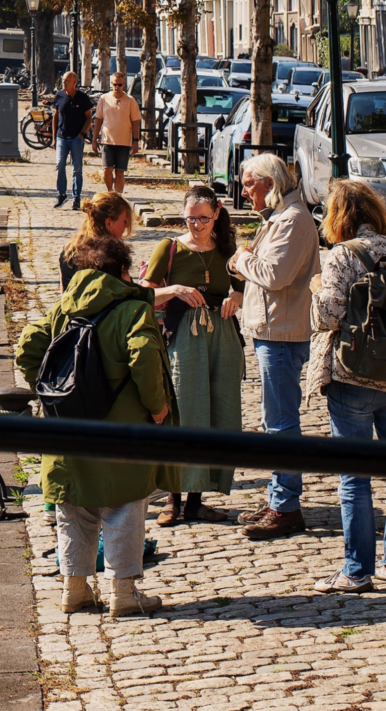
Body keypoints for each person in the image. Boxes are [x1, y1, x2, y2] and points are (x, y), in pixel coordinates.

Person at [16, 234, 178, 616]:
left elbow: (28, 346)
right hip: (120, 431)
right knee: (124, 506)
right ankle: (123, 593)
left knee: (74, 506)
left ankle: (75, 590)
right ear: (123, 271)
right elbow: (143, 356)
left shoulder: (64, 307)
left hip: (67, 425)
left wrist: (45, 391)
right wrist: (157, 407)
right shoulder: (133, 310)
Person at [227, 153, 319, 540]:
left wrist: (241, 259)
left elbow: (275, 275)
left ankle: (286, 507)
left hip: (282, 334)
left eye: (249, 183)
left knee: (281, 424)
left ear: (271, 182)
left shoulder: (294, 220)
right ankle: (278, 498)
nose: (243, 189)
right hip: (272, 331)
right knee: (274, 421)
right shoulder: (280, 217)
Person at [138, 184, 243, 526]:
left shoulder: (228, 248)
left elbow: (242, 284)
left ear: (216, 215)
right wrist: (177, 289)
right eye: (190, 218)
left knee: (216, 410)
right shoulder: (169, 248)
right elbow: (144, 294)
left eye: (202, 218)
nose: (195, 225)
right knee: (183, 411)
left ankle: (197, 500)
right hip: (182, 335)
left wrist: (236, 297)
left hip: (221, 335)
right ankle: (172, 498)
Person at [308, 181, 386, 593]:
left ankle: (358, 570)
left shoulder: (341, 255)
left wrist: (316, 289)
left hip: (352, 374)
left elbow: (329, 315)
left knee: (355, 476)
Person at [58, 192, 135, 291]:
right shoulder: (113, 256)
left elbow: (63, 294)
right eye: (125, 221)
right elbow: (132, 296)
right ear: (109, 223)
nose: (126, 226)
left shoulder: (68, 250)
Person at [92, 71, 142, 194]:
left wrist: (136, 141)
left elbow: (135, 122)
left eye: (119, 85)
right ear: (111, 84)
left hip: (124, 142)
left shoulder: (130, 101)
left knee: (120, 171)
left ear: (123, 84)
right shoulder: (104, 99)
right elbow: (98, 119)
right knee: (106, 170)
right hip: (107, 140)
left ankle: (118, 196)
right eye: (114, 84)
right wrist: (94, 139)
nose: (117, 87)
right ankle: (110, 192)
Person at [53, 71, 94, 211]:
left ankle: (76, 197)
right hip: (61, 136)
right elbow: (56, 116)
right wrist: (54, 137)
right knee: (59, 165)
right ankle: (61, 194)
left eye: (67, 80)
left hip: (77, 137)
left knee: (76, 168)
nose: (64, 82)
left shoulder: (82, 98)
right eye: (63, 80)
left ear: (74, 82)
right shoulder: (59, 96)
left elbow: (89, 117)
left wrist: (82, 133)